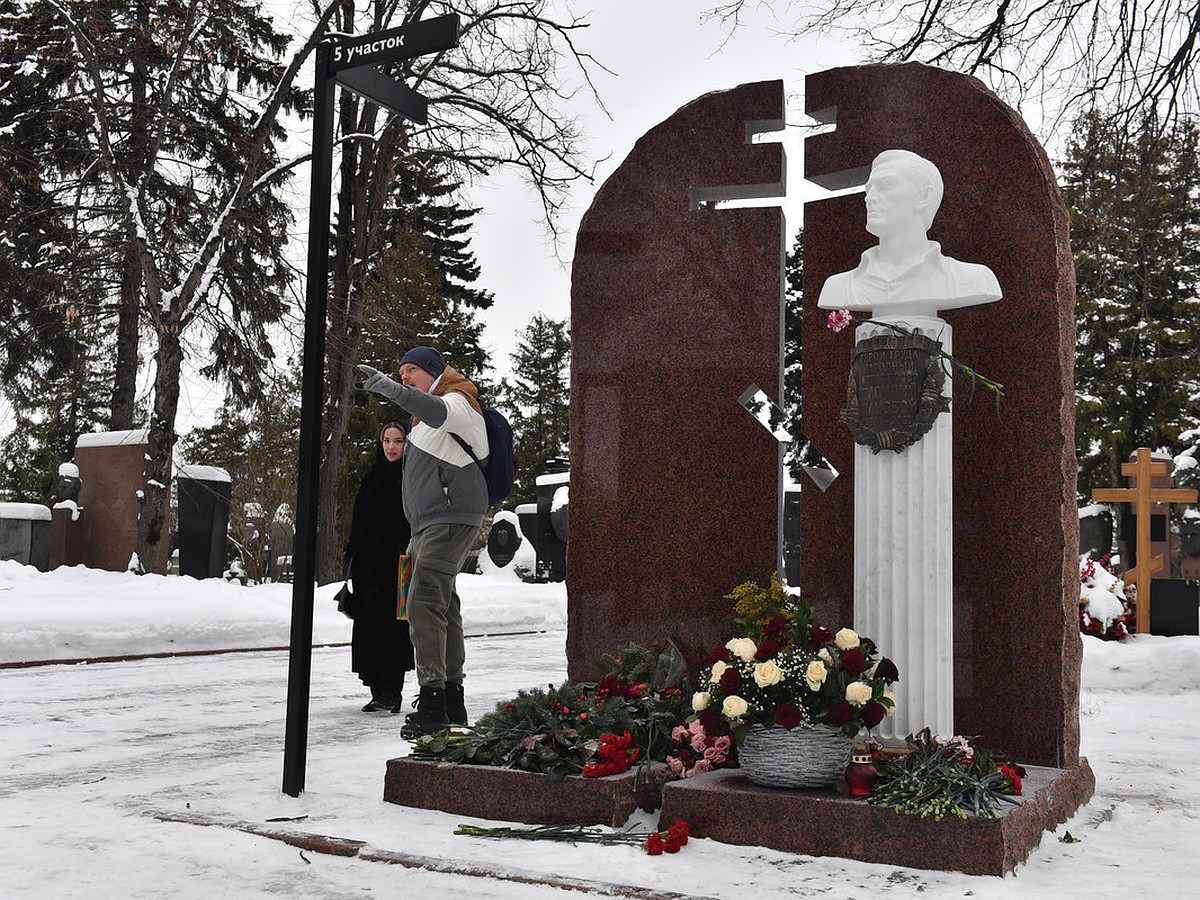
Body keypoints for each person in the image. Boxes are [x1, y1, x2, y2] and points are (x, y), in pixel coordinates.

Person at [357, 346, 488, 738]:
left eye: (411, 370)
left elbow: (439, 411)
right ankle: (451, 699)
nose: (405, 378)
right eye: (400, 373)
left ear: (433, 371)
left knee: (424, 600)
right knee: (443, 606)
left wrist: (389, 390)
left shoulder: (459, 400)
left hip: (449, 518)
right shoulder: (423, 421)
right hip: (427, 525)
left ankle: (433, 704)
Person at [818, 148, 1001, 316]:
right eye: (869, 189)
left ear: (924, 196)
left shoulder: (972, 279)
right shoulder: (839, 287)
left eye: (886, 185)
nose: (869, 197)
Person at [344, 421, 415, 713]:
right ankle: (376, 691)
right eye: (386, 440)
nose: (391, 446)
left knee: (393, 628)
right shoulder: (371, 477)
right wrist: (351, 559)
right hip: (367, 567)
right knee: (370, 627)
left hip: (396, 566)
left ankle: (392, 693)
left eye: (397, 441)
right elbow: (359, 522)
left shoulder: (409, 478)